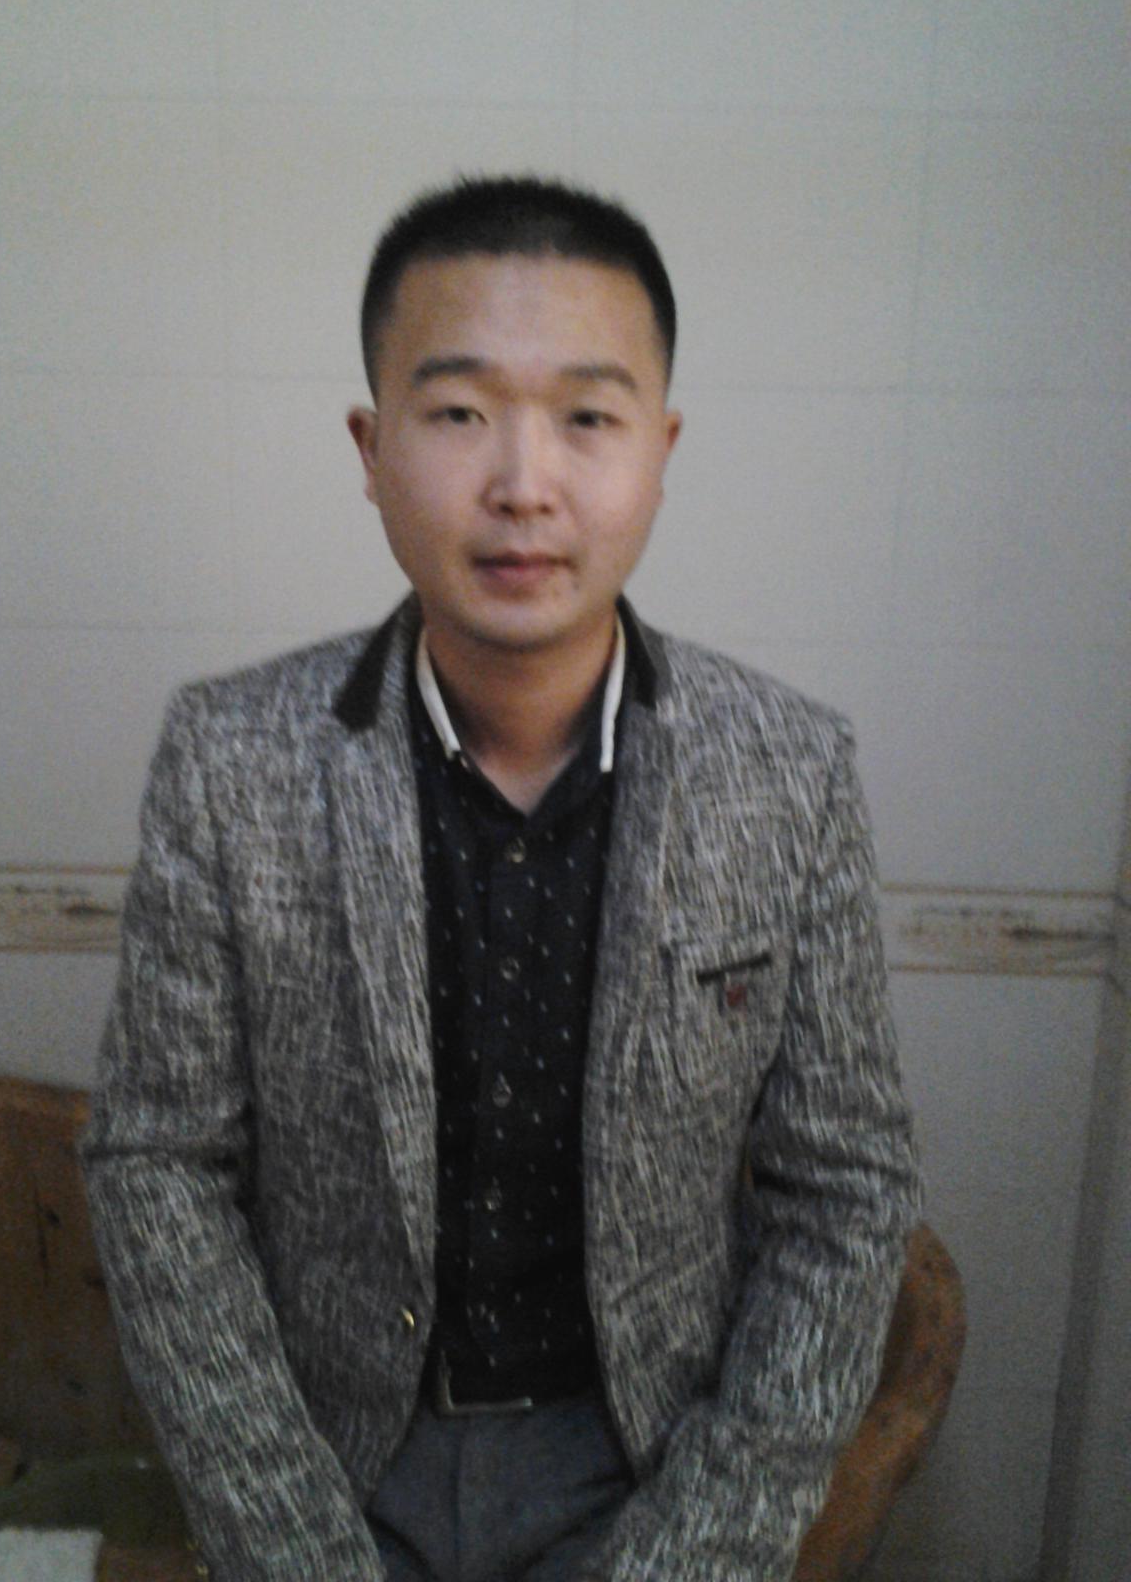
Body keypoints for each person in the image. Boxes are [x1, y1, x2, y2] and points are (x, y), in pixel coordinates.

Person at [80, 175, 921, 1582]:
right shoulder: (231, 761)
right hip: (335, 1456)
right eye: (460, 411)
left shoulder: (790, 772)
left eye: (588, 418)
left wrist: (702, 1543)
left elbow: (846, 1188)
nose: (524, 483)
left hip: (647, 1459)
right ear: (371, 447)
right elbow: (157, 1163)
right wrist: (289, 1538)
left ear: (659, 450)